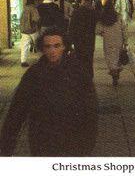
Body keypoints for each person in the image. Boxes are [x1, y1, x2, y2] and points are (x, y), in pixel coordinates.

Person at [0, 28, 98, 156]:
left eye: (57, 46)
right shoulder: (34, 75)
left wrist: (87, 143)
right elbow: (17, 109)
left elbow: (90, 110)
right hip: (42, 139)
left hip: (72, 139)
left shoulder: (78, 73)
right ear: (43, 48)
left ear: (64, 47)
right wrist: (6, 145)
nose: (52, 51)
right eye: (48, 46)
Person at [96, 0, 128, 86]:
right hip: (119, 40)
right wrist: (126, 41)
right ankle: (116, 73)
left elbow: (97, 30)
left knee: (110, 59)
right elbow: (124, 29)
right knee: (117, 58)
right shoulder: (118, 16)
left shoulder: (102, 18)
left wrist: (103, 33)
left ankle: (114, 74)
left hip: (108, 41)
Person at [68, 0, 98, 78]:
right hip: (90, 39)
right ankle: (88, 76)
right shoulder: (93, 12)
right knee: (89, 59)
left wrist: (70, 40)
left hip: (79, 40)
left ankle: (81, 76)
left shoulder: (77, 12)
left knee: (79, 59)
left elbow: (72, 27)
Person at [19, 0, 40, 67]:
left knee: (24, 45)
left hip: (24, 30)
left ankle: (23, 60)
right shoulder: (33, 8)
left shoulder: (25, 8)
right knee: (38, 44)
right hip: (32, 29)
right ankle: (41, 60)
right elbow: (36, 19)